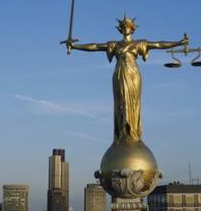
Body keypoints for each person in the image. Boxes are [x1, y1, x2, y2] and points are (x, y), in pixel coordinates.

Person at [62, 14, 188, 143]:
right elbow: (95, 46)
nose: (125, 28)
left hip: (133, 75)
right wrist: (75, 46)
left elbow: (158, 44)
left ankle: (133, 132)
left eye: (128, 26)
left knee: (133, 102)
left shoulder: (139, 43)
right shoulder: (114, 44)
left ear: (132, 28)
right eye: (123, 26)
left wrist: (178, 43)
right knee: (122, 102)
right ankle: (122, 132)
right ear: (120, 29)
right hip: (120, 74)